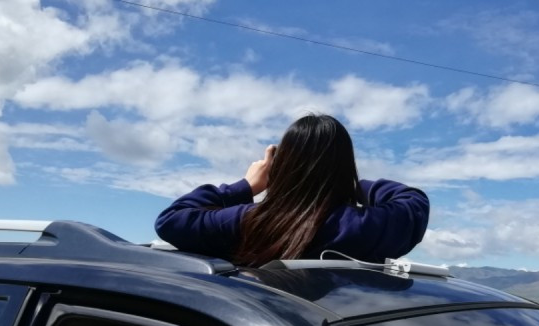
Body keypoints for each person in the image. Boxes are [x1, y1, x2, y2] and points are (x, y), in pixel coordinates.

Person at [155, 114, 429, 266]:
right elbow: (412, 202)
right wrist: (349, 182)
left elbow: (171, 220)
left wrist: (246, 186)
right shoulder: (368, 227)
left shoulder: (247, 221)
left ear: (279, 167)